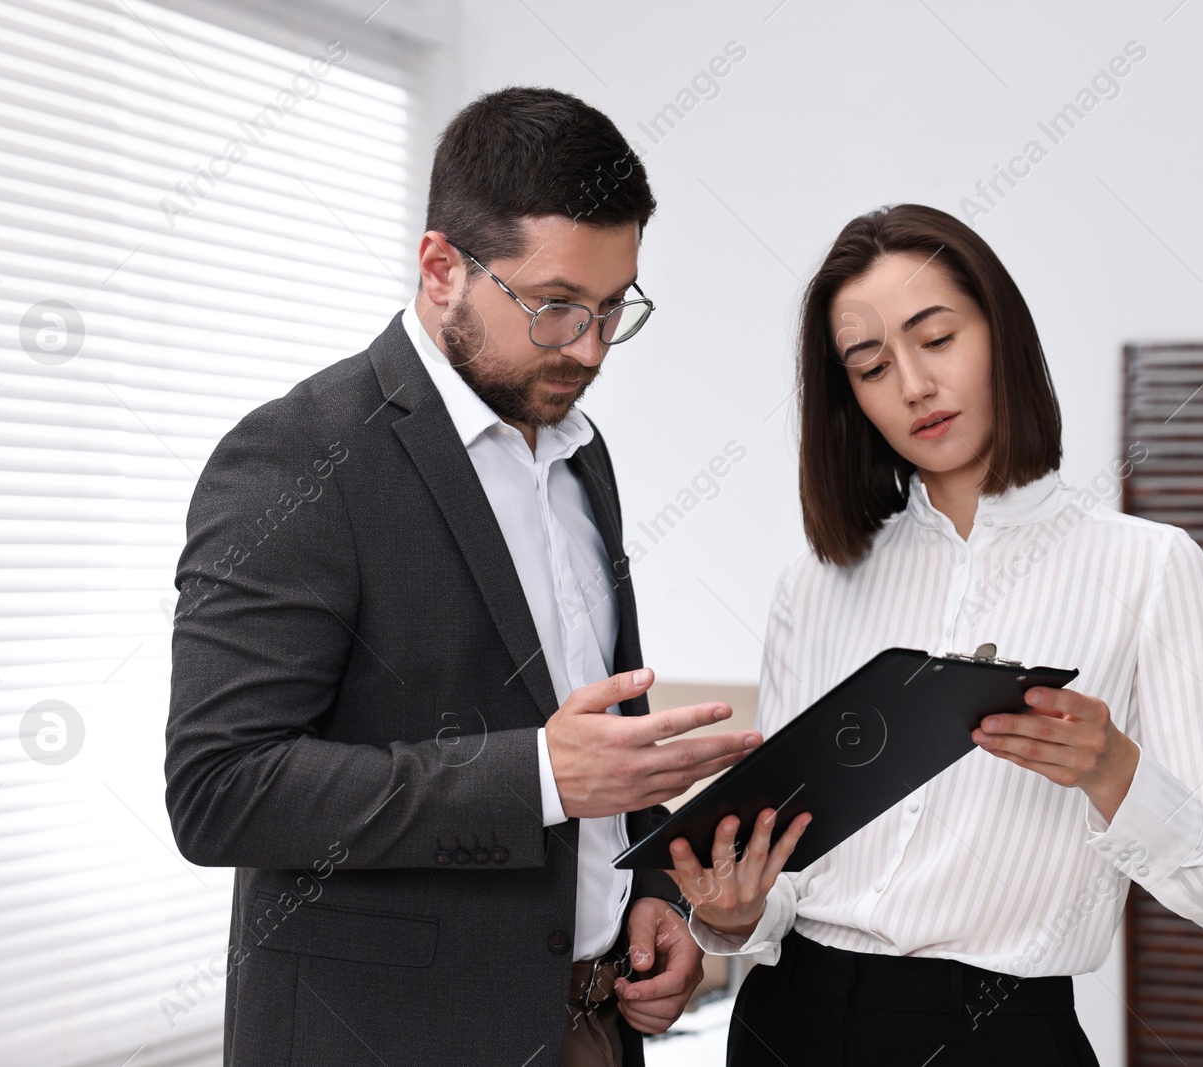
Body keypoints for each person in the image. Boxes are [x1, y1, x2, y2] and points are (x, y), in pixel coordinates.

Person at [165, 87, 762, 1067]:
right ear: (441, 267)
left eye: (616, 308)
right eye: (557, 306)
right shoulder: (296, 457)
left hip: (592, 1025)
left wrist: (648, 886)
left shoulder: (580, 453)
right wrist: (532, 774)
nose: (592, 347)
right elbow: (221, 787)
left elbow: (591, 733)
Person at [663, 204, 1203, 1066]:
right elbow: (789, 884)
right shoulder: (814, 584)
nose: (913, 385)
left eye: (936, 339)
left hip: (997, 1033)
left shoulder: (1151, 569)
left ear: (1002, 335)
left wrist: (1113, 770)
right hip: (784, 1024)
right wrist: (732, 912)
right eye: (872, 365)